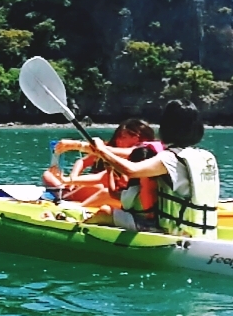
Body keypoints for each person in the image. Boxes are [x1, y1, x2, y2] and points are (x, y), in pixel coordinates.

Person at [93, 101, 219, 238]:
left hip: (174, 235)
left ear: (167, 126)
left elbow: (131, 170)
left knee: (105, 213)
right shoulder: (206, 157)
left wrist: (101, 150)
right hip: (204, 233)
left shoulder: (171, 158)